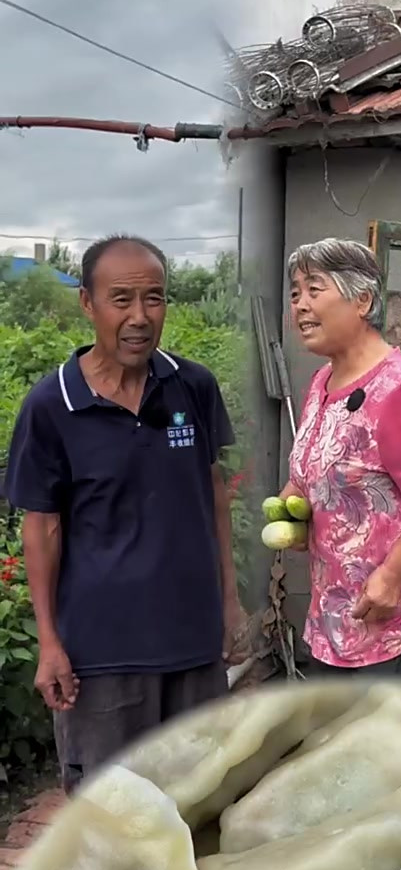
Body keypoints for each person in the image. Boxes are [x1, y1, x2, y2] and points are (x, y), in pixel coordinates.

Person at [4, 234, 249, 791]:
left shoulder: (193, 387)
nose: (140, 317)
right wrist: (48, 643)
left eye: (155, 298)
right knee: (112, 817)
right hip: (103, 655)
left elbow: (212, 494)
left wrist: (230, 605)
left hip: (193, 645)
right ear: (88, 304)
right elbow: (41, 527)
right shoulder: (51, 407)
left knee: (202, 800)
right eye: (121, 299)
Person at [281, 237, 401, 681]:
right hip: (339, 616)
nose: (301, 306)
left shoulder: (398, 387)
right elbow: (319, 468)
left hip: (397, 622)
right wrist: (297, 504)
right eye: (295, 293)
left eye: (315, 289)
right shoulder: (323, 381)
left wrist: (393, 575)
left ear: (362, 299)